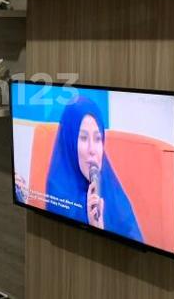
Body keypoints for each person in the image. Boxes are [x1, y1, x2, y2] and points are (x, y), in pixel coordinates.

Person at [45, 96, 142, 242]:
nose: (92, 150)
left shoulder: (110, 187)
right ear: (70, 143)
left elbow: (135, 240)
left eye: (97, 139)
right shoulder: (58, 192)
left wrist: (100, 229)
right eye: (83, 138)